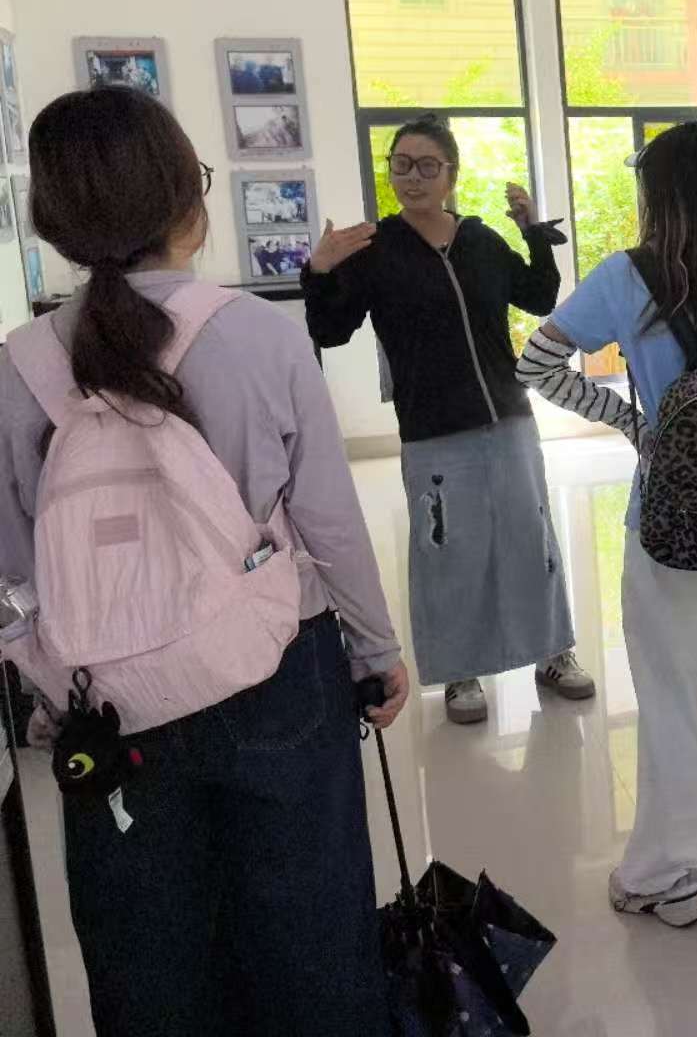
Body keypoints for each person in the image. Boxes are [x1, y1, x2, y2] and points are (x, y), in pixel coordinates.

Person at [0, 86, 408, 1033]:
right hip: (276, 670)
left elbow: (17, 569)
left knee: (149, 956)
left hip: (108, 705)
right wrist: (375, 649)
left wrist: (49, 689)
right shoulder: (260, 334)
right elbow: (329, 521)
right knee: (312, 937)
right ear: (186, 199)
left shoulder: (18, 368)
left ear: (55, 221)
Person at [516, 120, 697, 928]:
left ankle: (671, 873)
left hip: (668, 525)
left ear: (657, 194)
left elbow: (534, 364)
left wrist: (629, 422)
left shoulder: (626, 277)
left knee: (671, 695)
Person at [303, 115, 594, 725]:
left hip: (508, 417)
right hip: (433, 431)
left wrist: (534, 233)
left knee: (530, 539)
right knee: (449, 554)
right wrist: (320, 272)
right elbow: (331, 330)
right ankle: (462, 672)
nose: (412, 177)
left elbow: (538, 295)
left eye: (427, 166)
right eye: (401, 165)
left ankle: (552, 652)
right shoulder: (375, 251)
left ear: (451, 175)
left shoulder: (480, 241)